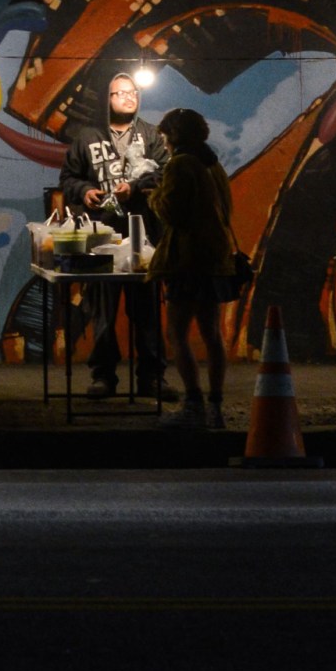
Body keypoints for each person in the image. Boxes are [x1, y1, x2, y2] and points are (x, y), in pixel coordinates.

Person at [58, 73, 175, 401]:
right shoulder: (87, 137)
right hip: (102, 237)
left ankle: (152, 378)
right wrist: (86, 191)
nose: (128, 97)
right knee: (104, 313)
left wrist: (135, 188)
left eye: (133, 92)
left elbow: (166, 172)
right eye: (119, 93)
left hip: (144, 237)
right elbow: (68, 177)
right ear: (106, 99)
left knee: (147, 312)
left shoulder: (151, 135)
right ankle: (103, 377)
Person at [148, 108, 238, 430]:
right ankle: (215, 407)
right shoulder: (213, 164)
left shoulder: (181, 164)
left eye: (165, 136)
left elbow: (172, 212)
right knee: (212, 335)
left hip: (187, 261)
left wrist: (154, 194)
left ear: (174, 135)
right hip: (215, 259)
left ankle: (193, 405)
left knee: (177, 332)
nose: (165, 143)